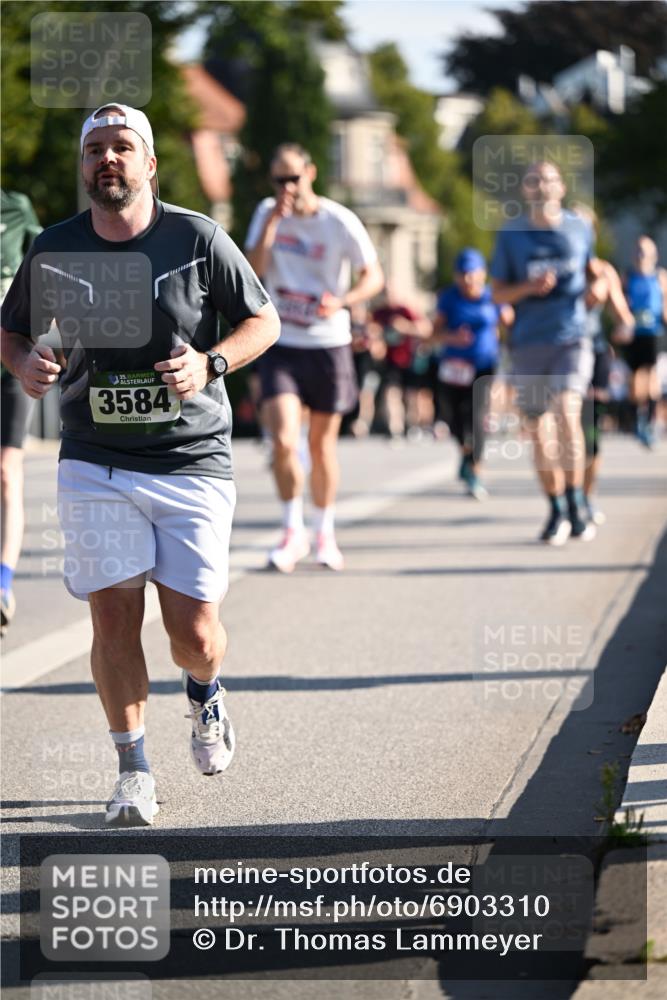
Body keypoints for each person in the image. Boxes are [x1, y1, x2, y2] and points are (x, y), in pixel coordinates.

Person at [0, 104, 279, 826]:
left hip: (189, 459)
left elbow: (264, 319)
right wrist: (25, 360)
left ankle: (205, 693)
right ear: (84, 166)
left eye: (122, 147)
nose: (108, 159)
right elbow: (11, 330)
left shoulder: (195, 237)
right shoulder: (55, 247)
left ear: (149, 163)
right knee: (113, 617)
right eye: (95, 149)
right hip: (94, 459)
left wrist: (212, 362)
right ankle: (132, 769)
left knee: (192, 634)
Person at [245, 143, 384, 572]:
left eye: (294, 178)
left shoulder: (338, 220)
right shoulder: (267, 212)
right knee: (285, 440)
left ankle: (324, 531)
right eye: (279, 179)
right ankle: (292, 531)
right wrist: (271, 223)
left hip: (329, 343)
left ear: (311, 173)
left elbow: (373, 276)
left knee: (321, 448)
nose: (287, 187)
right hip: (283, 342)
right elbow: (253, 268)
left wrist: (343, 301)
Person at [490, 160, 598, 545]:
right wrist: (528, 289)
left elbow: (591, 273)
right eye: (533, 181)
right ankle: (555, 508)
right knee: (538, 431)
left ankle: (577, 500)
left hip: (572, 336)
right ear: (525, 190)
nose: (541, 186)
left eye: (548, 179)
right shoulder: (511, 234)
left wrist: (596, 293)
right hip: (529, 341)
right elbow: (497, 293)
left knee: (569, 413)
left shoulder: (579, 227)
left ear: (561, 188)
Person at [570, 205, 635, 525]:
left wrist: (625, 325)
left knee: (591, 435)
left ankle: (586, 496)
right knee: (563, 429)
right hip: (558, 353)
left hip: (594, 353)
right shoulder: (552, 268)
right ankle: (567, 497)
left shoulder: (603, 271)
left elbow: (622, 314)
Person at [433, 248, 513, 499]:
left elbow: (510, 323)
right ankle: (467, 454)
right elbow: (433, 333)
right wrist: (452, 338)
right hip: (454, 367)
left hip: (483, 365)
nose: (468, 279)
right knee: (452, 417)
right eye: (463, 274)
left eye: (473, 273)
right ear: (457, 276)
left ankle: (475, 473)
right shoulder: (448, 298)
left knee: (478, 418)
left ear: (483, 274)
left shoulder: (493, 297)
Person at [1, 190, 42, 635]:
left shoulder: (16, 208)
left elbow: (44, 275)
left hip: (8, 362)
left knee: (7, 471)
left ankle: (3, 583)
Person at [369, 290, 432, 443]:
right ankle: (395, 429)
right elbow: (372, 331)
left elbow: (425, 329)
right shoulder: (379, 313)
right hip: (389, 361)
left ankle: (412, 426)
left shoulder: (406, 310)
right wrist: (375, 341)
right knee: (391, 393)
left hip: (409, 359)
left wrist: (405, 327)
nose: (389, 296)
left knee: (411, 395)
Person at [623, 235, 667, 448]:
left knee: (652, 377)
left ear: (654, 255)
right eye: (638, 251)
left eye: (645, 251)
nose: (641, 255)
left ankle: (649, 422)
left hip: (654, 333)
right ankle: (637, 418)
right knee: (635, 382)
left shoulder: (660, 277)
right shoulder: (628, 277)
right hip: (633, 334)